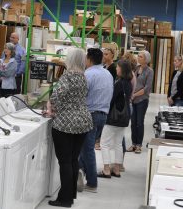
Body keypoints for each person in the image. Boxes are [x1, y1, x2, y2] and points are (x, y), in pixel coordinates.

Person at [47, 48, 93, 207]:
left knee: (65, 161)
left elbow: (56, 96)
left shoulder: (68, 76)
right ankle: (70, 194)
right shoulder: (83, 77)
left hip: (65, 122)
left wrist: (52, 109)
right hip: (83, 121)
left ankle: (64, 199)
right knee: (73, 160)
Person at [78, 48, 114, 193]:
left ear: (89, 59)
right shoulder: (107, 74)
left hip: (90, 114)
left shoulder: (88, 74)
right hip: (103, 115)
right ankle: (79, 172)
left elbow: (81, 94)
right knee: (87, 147)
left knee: (87, 149)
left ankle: (92, 183)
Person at [98, 60, 133, 178]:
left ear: (122, 69)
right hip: (124, 117)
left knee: (104, 143)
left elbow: (111, 100)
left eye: (118, 67)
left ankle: (106, 169)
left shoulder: (119, 83)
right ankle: (117, 169)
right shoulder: (129, 83)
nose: (116, 69)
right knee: (118, 143)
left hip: (114, 117)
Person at [128, 50, 153, 154]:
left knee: (139, 123)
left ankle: (139, 145)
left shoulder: (149, 71)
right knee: (133, 123)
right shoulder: (136, 69)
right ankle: (133, 144)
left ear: (146, 59)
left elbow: (147, 88)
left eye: (141, 56)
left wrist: (135, 95)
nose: (138, 57)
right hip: (133, 99)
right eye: (138, 56)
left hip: (142, 100)